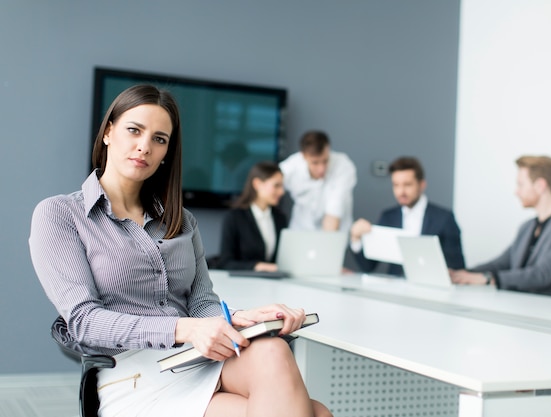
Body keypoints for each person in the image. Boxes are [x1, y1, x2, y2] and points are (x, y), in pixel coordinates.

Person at [29, 85, 332, 417]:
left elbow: (202, 304)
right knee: (315, 413)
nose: (144, 146)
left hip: (192, 358)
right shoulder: (60, 214)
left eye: (159, 139)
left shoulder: (182, 221)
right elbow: (84, 322)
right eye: (134, 130)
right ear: (108, 133)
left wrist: (243, 318)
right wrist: (184, 329)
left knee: (272, 349)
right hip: (130, 375)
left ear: (166, 152)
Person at [449, 155, 551, 299]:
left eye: (521, 184)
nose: (516, 191)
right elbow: (502, 263)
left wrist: (488, 278)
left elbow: (542, 274)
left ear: (540, 185)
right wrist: (463, 273)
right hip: (521, 308)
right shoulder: (527, 227)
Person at [350, 156, 465, 276]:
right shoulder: (388, 217)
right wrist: (356, 239)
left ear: (422, 184)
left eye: (407, 185)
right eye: (396, 185)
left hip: (430, 290)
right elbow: (368, 266)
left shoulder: (444, 218)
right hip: (395, 289)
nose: (401, 192)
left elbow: (457, 269)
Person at [280, 130, 356, 232]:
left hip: (334, 232)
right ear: (303, 156)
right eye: (315, 163)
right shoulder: (289, 168)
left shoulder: (343, 166)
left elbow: (333, 212)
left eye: (325, 161)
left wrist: (325, 244)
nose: (321, 169)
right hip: (301, 230)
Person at [218, 161, 288, 271]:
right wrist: (257, 266)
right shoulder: (234, 217)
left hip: (273, 285)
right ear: (257, 184)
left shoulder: (280, 218)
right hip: (242, 284)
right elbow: (226, 262)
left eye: (282, 186)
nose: (282, 192)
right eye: (276, 186)